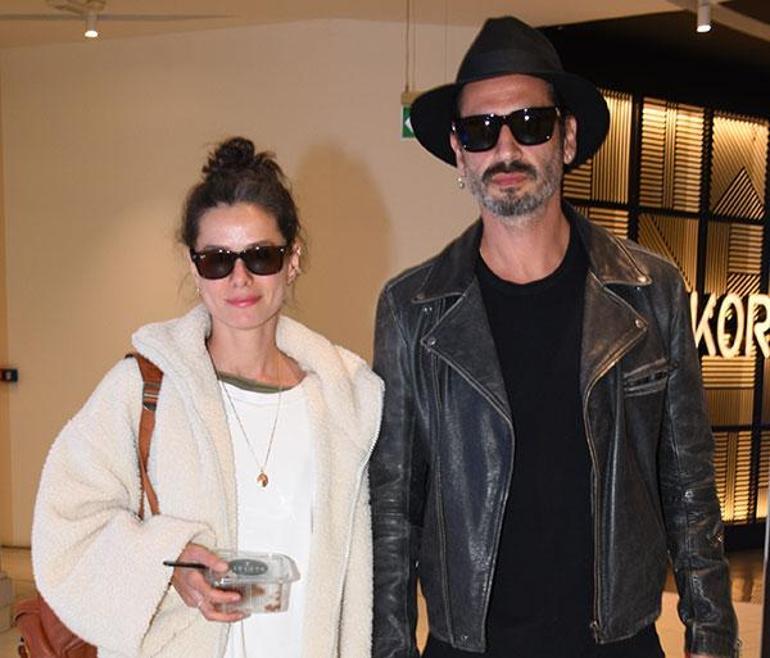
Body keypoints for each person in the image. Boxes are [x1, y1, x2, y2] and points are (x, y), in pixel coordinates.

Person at [370, 16, 737, 658]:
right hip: (470, 647)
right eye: (481, 130)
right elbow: (394, 511)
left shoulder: (649, 291)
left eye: (530, 124)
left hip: (618, 643)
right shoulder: (413, 309)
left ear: (566, 138)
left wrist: (712, 636)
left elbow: (689, 484)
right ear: (459, 152)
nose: (505, 149)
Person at [32, 136, 383, 657]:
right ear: (194, 266)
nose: (240, 278)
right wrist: (167, 563)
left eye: (261, 256)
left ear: (293, 259)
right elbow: (67, 524)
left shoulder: (342, 400)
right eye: (218, 260)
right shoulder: (143, 387)